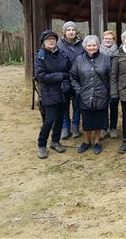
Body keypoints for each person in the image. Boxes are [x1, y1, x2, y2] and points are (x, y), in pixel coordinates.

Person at [70, 35, 111, 155]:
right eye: (89, 45)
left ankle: (97, 142)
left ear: (98, 46)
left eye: (94, 45)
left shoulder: (106, 59)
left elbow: (111, 76)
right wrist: (79, 90)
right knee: (87, 120)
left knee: (99, 120)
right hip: (85, 94)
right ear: (85, 46)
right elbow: (73, 76)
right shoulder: (79, 60)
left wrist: (107, 91)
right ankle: (86, 141)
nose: (92, 47)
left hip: (101, 94)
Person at [34, 30, 71, 159]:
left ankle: (55, 141)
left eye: (53, 39)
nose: (51, 41)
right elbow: (40, 76)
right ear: (43, 42)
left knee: (60, 118)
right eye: (48, 39)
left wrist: (64, 77)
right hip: (48, 92)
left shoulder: (63, 54)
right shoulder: (40, 56)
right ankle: (41, 145)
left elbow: (70, 70)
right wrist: (60, 76)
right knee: (49, 119)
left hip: (63, 91)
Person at [57, 21, 83, 140]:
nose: (71, 32)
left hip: (79, 79)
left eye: (73, 29)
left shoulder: (82, 44)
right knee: (64, 104)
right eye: (68, 30)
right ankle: (65, 127)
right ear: (64, 32)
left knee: (77, 104)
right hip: (65, 79)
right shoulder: (59, 45)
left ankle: (75, 126)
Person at [99, 30, 119, 139]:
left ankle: (113, 128)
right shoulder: (98, 52)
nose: (108, 40)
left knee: (114, 107)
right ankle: (104, 127)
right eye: (106, 38)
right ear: (103, 40)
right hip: (102, 84)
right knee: (103, 107)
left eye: (110, 38)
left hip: (115, 84)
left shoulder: (118, 52)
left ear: (113, 40)